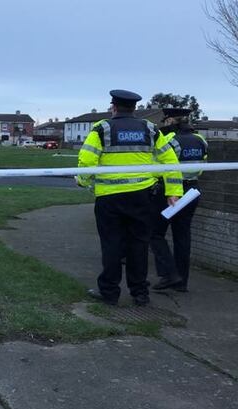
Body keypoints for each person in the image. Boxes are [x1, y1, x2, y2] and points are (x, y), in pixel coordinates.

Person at [77, 90, 183, 306]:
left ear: (113, 107)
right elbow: (169, 161)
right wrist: (173, 192)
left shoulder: (102, 129)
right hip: (141, 198)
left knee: (112, 244)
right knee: (139, 245)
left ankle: (109, 293)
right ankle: (140, 293)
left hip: (110, 199)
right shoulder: (150, 128)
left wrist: (83, 181)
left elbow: (87, 162)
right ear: (134, 108)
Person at [149, 108, 208, 292]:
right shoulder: (200, 140)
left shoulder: (169, 140)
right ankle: (182, 281)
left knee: (155, 233)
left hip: (170, 191)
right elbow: (204, 163)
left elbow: (158, 165)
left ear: (171, 120)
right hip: (192, 190)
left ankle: (169, 275)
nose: (164, 123)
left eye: (165, 120)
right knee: (182, 236)